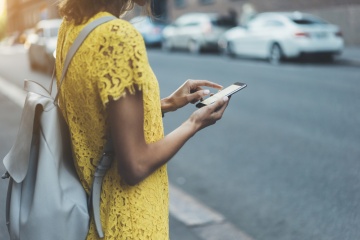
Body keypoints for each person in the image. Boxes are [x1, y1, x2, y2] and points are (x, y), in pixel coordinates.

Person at [56, 0, 230, 239]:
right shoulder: (117, 36)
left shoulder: (71, 27)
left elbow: (99, 117)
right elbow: (135, 165)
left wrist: (167, 103)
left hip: (97, 218)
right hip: (132, 223)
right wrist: (194, 123)